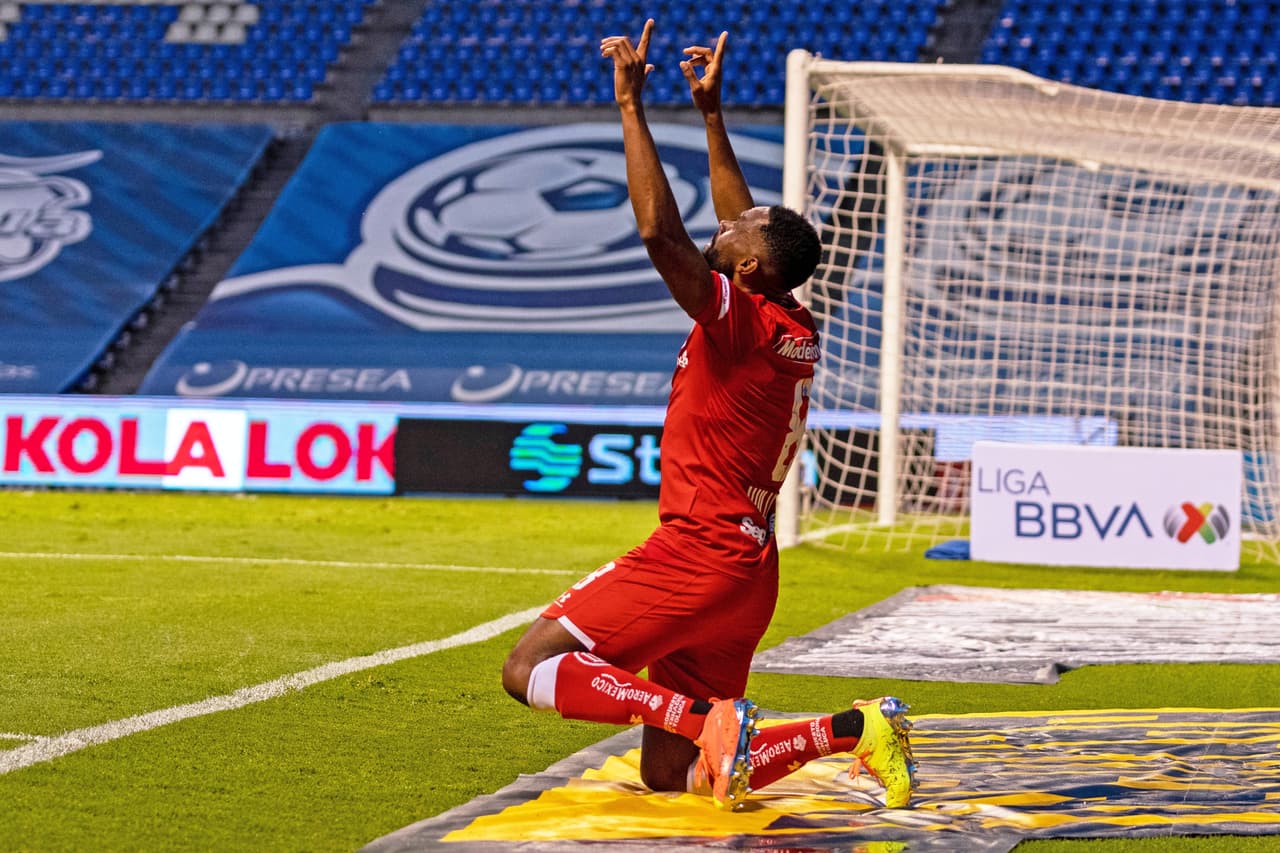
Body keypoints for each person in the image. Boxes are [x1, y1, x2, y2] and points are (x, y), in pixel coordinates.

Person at [501, 19, 916, 811]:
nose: (724, 223)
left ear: (748, 268)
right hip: (747, 569)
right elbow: (747, 222)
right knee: (672, 776)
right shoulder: (784, 319)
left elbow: (661, 233)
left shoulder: (742, 323)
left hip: (696, 554)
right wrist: (713, 115)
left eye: (734, 232)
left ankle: (705, 717)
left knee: (529, 668)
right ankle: (857, 729)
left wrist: (631, 106)